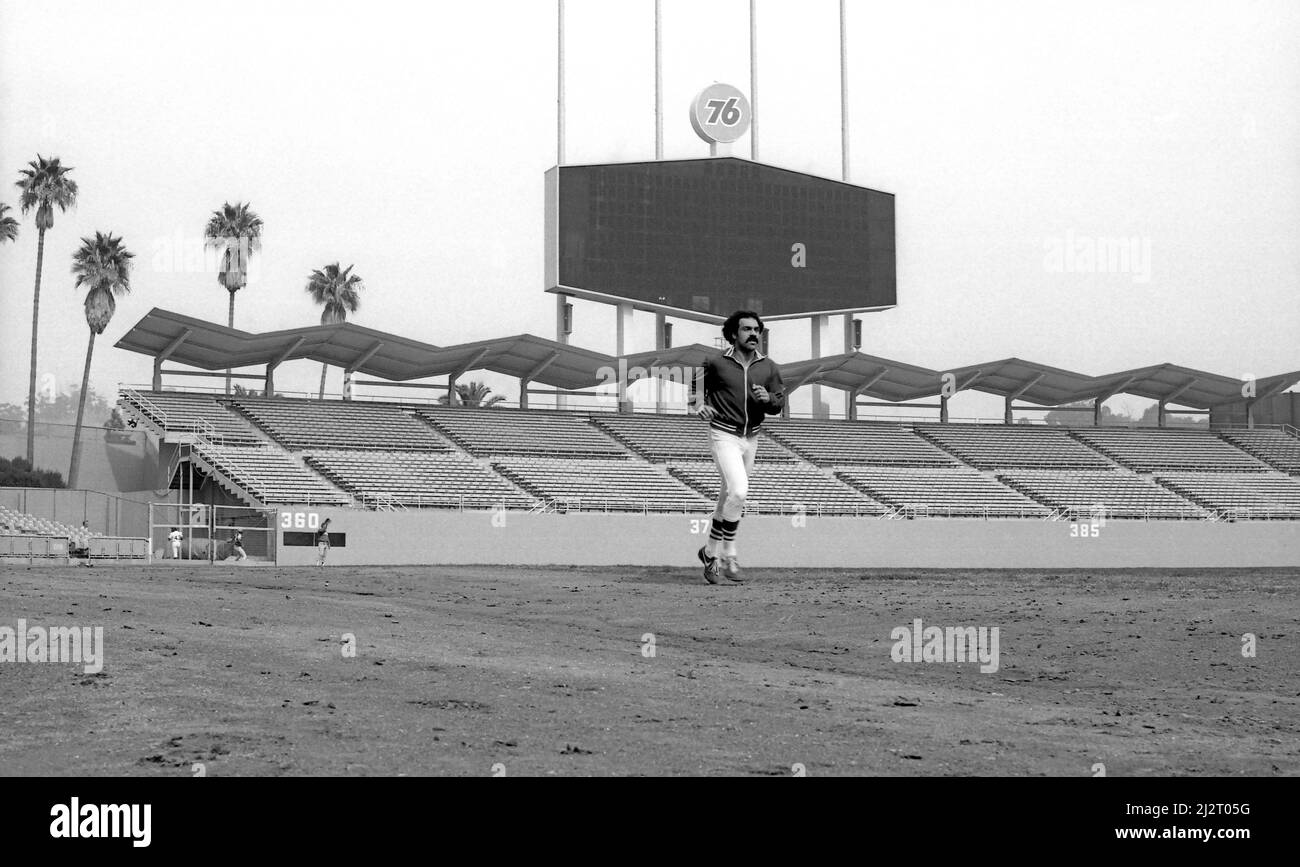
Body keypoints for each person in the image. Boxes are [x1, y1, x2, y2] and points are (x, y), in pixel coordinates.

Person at [695, 310, 785, 583]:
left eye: (757, 329)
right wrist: (700, 404)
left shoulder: (769, 367)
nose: (754, 334)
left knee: (728, 498)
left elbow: (779, 404)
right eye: (747, 329)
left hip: (752, 438)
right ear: (734, 334)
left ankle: (709, 552)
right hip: (724, 434)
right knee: (739, 491)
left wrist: (768, 397)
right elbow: (697, 387)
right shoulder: (714, 362)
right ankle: (728, 556)